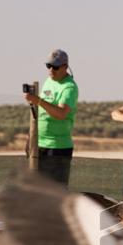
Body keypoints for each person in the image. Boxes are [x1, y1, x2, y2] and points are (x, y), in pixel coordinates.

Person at [23, 49, 78, 186]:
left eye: (56, 67)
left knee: (55, 192)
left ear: (65, 67)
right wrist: (31, 136)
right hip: (39, 144)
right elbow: (41, 110)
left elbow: (61, 113)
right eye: (49, 66)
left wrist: (38, 101)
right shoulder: (48, 81)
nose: (51, 70)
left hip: (57, 148)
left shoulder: (69, 87)